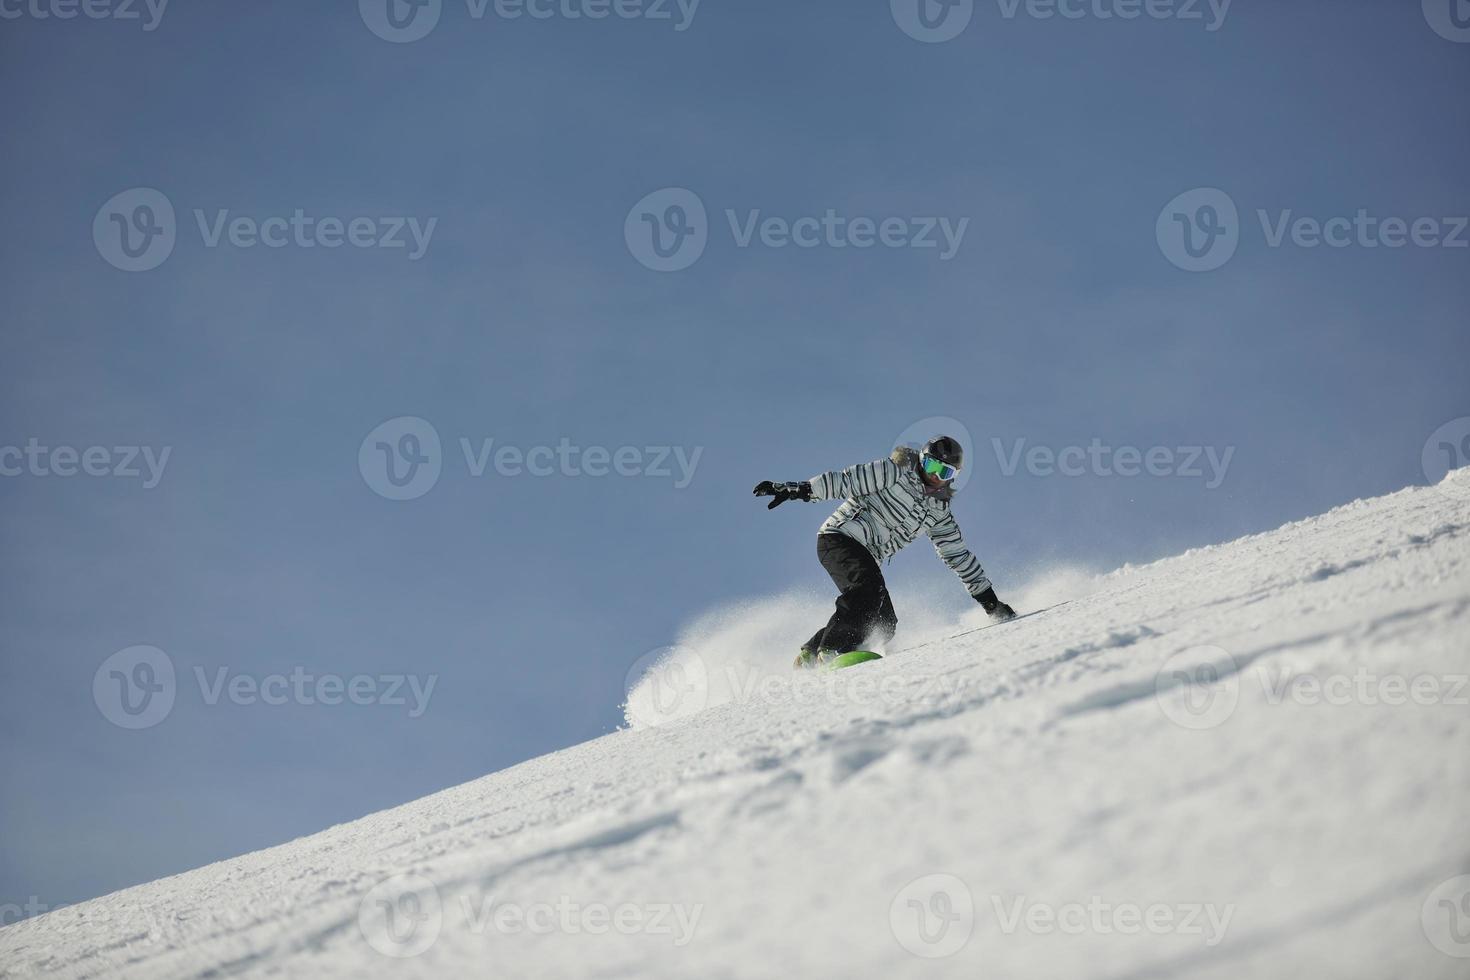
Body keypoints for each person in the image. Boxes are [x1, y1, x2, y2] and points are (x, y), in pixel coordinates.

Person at [753, 436, 1016, 668]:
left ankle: (812, 650)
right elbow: (845, 481)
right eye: (932, 466)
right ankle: (831, 649)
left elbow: (959, 557)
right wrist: (798, 489)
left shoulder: (939, 513)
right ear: (922, 461)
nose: (935, 476)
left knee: (885, 623)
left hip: (866, 554)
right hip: (840, 537)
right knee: (867, 590)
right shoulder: (895, 471)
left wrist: (990, 603)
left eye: (944, 473)